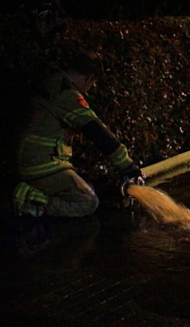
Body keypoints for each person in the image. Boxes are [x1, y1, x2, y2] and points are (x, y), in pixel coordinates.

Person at [13, 51, 142, 218]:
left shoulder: (53, 83)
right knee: (87, 202)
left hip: (34, 159)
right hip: (41, 164)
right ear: (89, 78)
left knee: (87, 186)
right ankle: (31, 200)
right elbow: (96, 131)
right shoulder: (66, 95)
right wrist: (128, 167)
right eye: (92, 83)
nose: (89, 90)